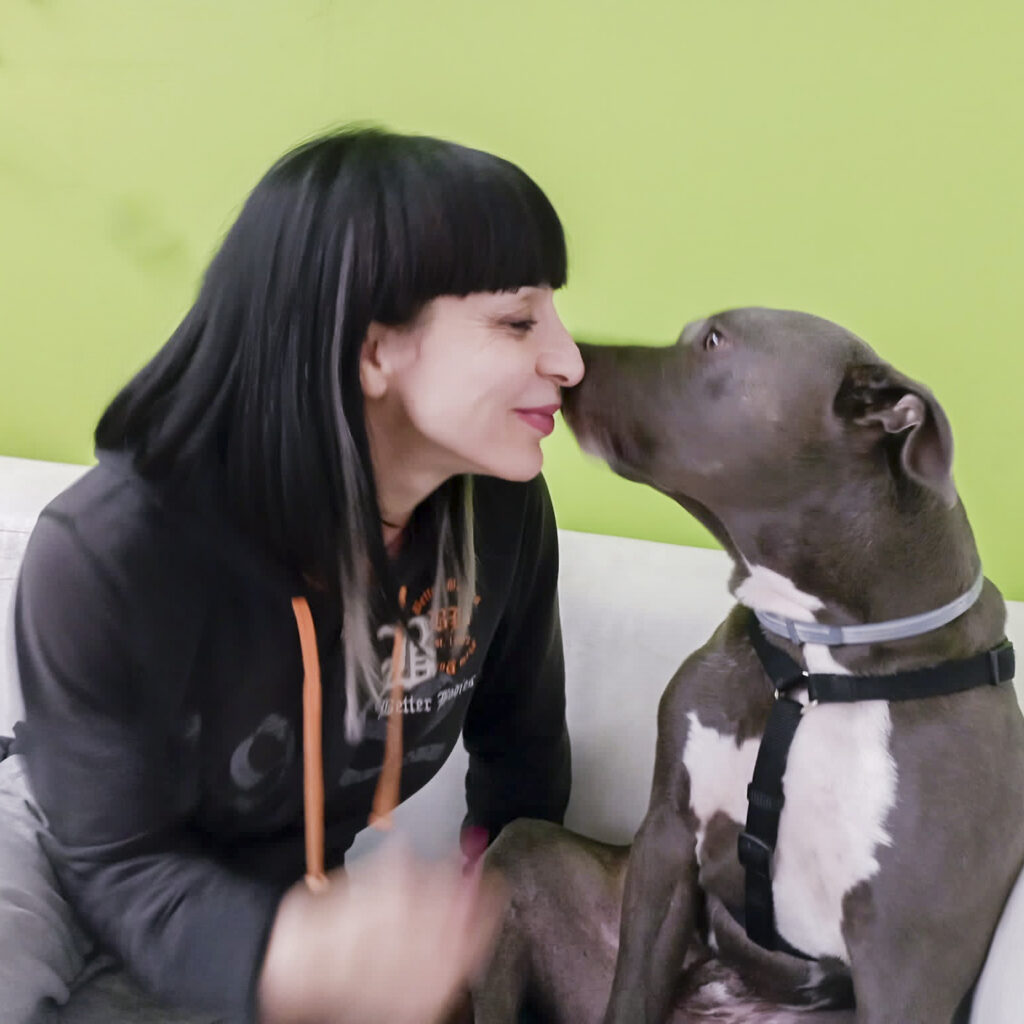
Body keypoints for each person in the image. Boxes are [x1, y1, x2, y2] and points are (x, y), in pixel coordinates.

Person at [4, 126, 584, 1023]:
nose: (569, 362)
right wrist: (293, 953)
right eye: (517, 322)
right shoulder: (112, 547)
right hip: (56, 858)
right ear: (374, 349)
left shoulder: (499, 514)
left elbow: (522, 751)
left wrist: (483, 919)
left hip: (276, 904)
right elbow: (114, 859)